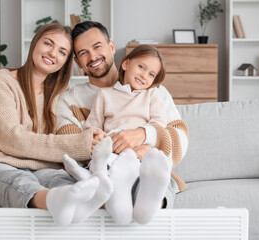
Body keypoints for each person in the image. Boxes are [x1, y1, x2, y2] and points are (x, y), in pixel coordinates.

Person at [0, 23, 113, 226]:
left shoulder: (59, 95)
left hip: (45, 167)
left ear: (66, 61)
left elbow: (67, 133)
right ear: (35, 43)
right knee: (21, 184)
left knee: (68, 183)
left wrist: (95, 137)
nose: (52, 53)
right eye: (48, 43)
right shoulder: (1, 80)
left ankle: (109, 205)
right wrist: (81, 144)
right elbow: (13, 139)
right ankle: (54, 203)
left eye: (62, 51)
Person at [56, 21, 189, 223]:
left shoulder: (154, 91)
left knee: (156, 175)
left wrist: (144, 136)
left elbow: (180, 141)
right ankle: (121, 200)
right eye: (83, 53)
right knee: (98, 176)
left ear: (111, 47)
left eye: (97, 46)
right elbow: (73, 146)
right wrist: (99, 141)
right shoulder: (69, 100)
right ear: (77, 62)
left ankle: (145, 205)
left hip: (145, 162)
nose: (92, 57)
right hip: (108, 163)